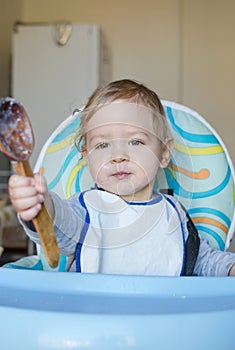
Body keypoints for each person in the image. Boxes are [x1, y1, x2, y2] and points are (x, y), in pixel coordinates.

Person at [8, 79, 235, 276]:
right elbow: (58, 225)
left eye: (136, 141)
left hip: (164, 321)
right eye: (103, 144)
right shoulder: (86, 211)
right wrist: (39, 204)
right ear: (87, 156)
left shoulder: (174, 215)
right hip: (94, 319)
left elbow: (204, 261)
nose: (118, 156)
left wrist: (230, 268)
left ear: (163, 153)